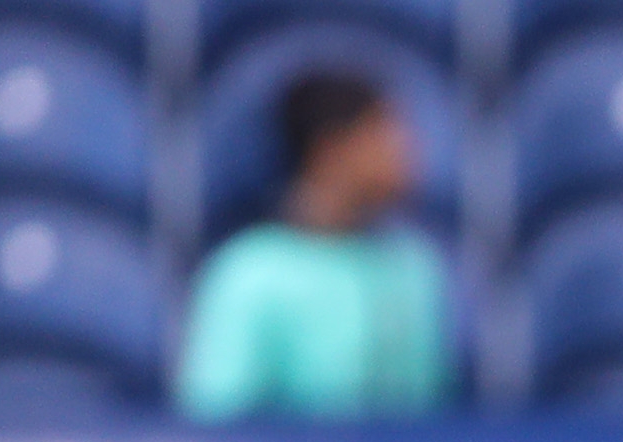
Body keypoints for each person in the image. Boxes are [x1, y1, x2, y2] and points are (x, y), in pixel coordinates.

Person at [175, 66, 455, 421]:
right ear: (331, 148)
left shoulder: (414, 265)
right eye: (383, 132)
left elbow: (432, 419)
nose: (407, 151)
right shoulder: (248, 274)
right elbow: (217, 425)